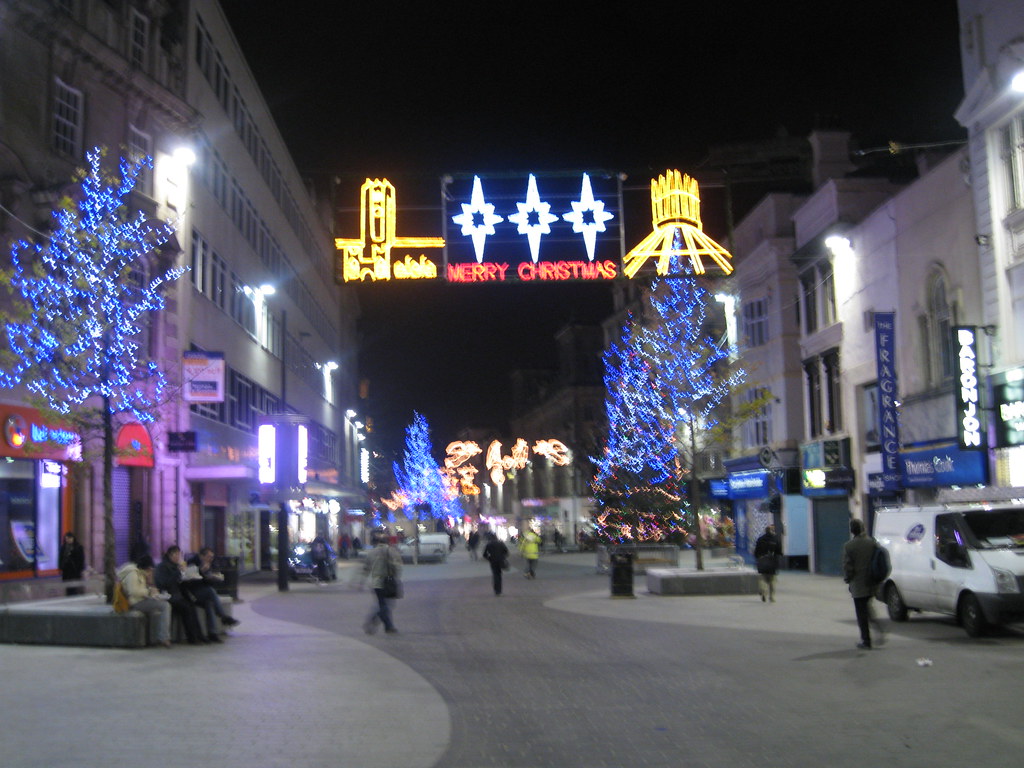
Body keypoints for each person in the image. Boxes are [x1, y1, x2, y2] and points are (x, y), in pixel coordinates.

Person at [842, 518, 885, 649]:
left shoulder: (849, 546)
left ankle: (866, 640)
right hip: (871, 582)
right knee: (867, 607)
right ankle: (877, 627)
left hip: (858, 584)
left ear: (851, 530)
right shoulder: (871, 543)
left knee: (861, 613)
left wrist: (848, 579)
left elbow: (847, 567)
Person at [184, 547, 240, 640]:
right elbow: (192, 580)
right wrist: (202, 571)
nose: (210, 559)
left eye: (212, 557)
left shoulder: (208, 564)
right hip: (193, 592)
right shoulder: (192, 563)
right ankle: (223, 616)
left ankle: (212, 633)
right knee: (211, 592)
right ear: (202, 556)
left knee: (209, 603)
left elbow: (207, 581)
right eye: (209, 557)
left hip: (204, 592)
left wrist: (212, 577)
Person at [154, 545, 206, 644]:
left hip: (178, 594)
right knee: (187, 608)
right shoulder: (162, 567)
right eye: (176, 555)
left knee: (192, 606)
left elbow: (180, 582)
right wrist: (178, 573)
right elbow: (164, 583)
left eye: (179, 555)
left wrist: (187, 576)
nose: (178, 557)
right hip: (168, 596)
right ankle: (192, 637)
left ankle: (199, 635)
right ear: (170, 555)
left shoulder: (175, 566)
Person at [117, 554, 171, 647]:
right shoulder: (133, 574)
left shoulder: (140, 573)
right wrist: (149, 591)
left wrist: (150, 585)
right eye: (150, 569)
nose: (151, 571)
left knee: (163, 604)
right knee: (165, 606)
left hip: (141, 599)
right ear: (147, 567)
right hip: (135, 602)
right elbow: (133, 591)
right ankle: (164, 637)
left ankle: (161, 636)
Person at [361, 533, 402, 634]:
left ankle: (388, 627)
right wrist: (396, 576)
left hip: (376, 583)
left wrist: (361, 582)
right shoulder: (391, 551)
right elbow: (397, 566)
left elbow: (366, 569)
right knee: (386, 605)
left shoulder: (371, 553)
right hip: (387, 582)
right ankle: (373, 621)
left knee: (383, 604)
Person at [753, 525, 782, 602]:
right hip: (772, 561)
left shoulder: (760, 539)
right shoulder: (776, 539)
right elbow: (779, 552)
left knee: (762, 578)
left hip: (762, 561)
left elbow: (756, 552)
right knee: (772, 580)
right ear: (772, 531)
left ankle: (763, 591)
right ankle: (771, 597)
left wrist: (757, 558)